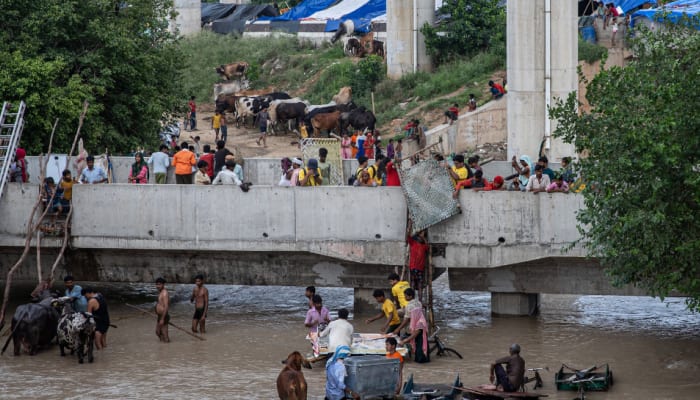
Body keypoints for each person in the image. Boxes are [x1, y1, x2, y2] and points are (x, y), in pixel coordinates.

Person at [398, 299, 430, 364]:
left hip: (421, 343)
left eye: (412, 315)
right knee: (418, 358)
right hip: (418, 342)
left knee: (420, 359)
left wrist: (404, 341)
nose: (411, 317)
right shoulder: (417, 321)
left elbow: (414, 335)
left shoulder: (420, 322)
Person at [407, 224, 429, 301]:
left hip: (418, 268)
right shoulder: (413, 243)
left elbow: (427, 246)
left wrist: (423, 237)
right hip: (414, 267)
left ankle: (419, 300)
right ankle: (413, 299)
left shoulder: (423, 246)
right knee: (414, 283)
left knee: (418, 284)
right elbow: (408, 236)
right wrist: (409, 228)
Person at [155, 277, 170, 343]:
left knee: (165, 334)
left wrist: (162, 319)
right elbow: (160, 304)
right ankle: (163, 348)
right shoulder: (160, 292)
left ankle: (167, 345)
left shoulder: (164, 293)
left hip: (164, 316)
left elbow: (166, 306)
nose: (158, 286)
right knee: (158, 332)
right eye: (157, 284)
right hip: (160, 315)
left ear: (163, 284)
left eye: (159, 284)